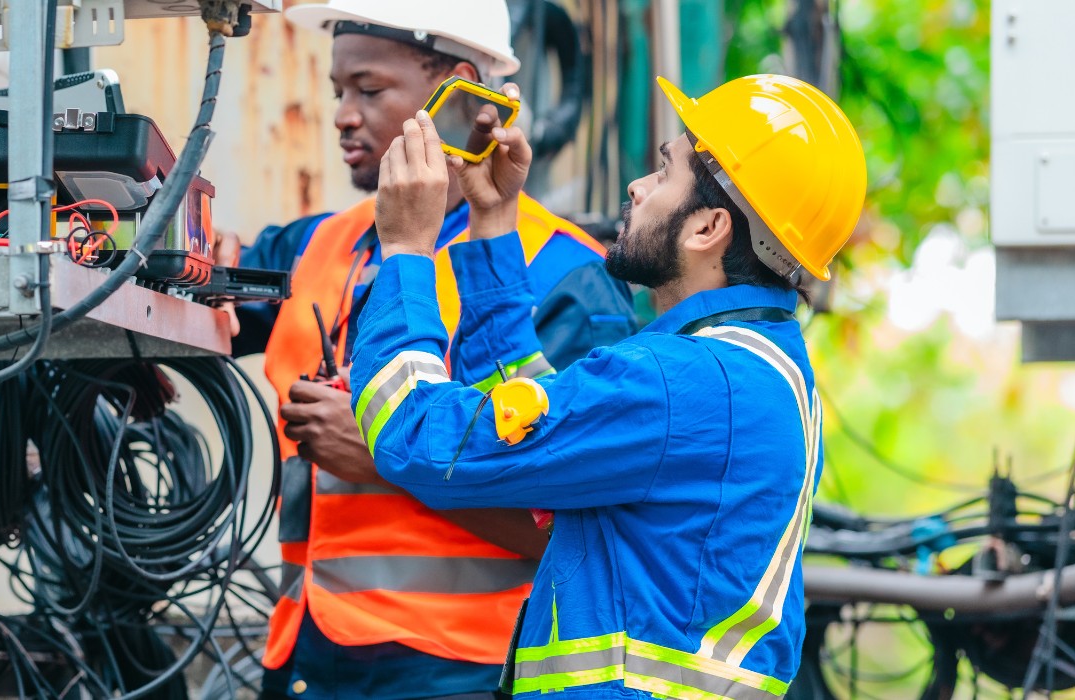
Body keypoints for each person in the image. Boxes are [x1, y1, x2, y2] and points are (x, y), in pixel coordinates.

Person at [352, 73, 866, 699]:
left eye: (663, 171)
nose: (637, 186)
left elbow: (418, 436)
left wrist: (405, 247)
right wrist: (492, 221)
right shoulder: (756, 373)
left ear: (708, 228)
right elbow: (543, 422)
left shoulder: (674, 383)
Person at [215, 1, 637, 697]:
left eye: (370, 89)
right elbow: (202, 304)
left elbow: (587, 531)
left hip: (469, 669)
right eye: (338, 93)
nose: (344, 115)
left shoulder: (561, 277)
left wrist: (387, 459)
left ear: (457, 90)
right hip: (306, 658)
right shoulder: (316, 245)